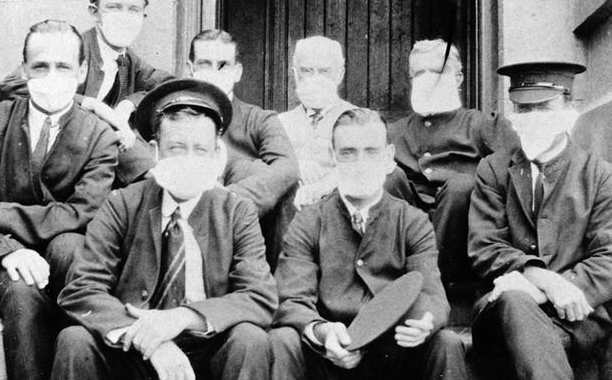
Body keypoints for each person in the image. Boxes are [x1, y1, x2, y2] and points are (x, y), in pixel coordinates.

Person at [52, 79, 277, 380]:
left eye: (200, 150)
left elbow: (260, 297)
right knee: (74, 340)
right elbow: (82, 289)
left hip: (205, 348)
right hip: (133, 347)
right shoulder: (122, 204)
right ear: (156, 152)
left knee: (251, 339)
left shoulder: (236, 211)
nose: (188, 161)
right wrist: (153, 342)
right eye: (176, 149)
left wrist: (182, 318)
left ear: (216, 156)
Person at [0, 20, 119, 380]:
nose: (51, 76)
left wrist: (0, 211)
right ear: (24, 70)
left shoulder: (99, 137)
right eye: (40, 66)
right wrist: (7, 251)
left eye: (63, 66)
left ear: (82, 71)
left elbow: (84, 212)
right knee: (22, 291)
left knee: (75, 255)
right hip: (1, 258)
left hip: (64, 256)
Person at [270, 108, 467, 380]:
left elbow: (434, 297)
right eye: (348, 152)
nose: (360, 164)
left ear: (388, 158)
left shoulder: (412, 221)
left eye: (371, 152)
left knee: (446, 343)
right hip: (328, 361)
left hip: (392, 358)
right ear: (333, 157)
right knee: (282, 340)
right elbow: (292, 299)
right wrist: (322, 331)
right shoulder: (308, 222)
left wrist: (424, 323)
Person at [468, 61, 612, 380]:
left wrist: (558, 289)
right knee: (515, 299)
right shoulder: (493, 170)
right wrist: (541, 279)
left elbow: (609, 257)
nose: (532, 119)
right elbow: (485, 246)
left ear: (568, 108)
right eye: (522, 109)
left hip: (575, 317)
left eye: (544, 108)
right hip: (502, 310)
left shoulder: (599, 175)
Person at [0, 0, 174, 185]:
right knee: (150, 174)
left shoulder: (128, 60)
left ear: (143, 16)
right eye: (114, 7)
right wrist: (91, 104)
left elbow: (169, 85)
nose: (124, 17)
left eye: (133, 9)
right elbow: (10, 86)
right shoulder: (73, 47)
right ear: (94, 12)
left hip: (98, 163)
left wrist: (128, 104)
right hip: (52, 165)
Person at [389, 39, 519, 288]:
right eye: (419, 73)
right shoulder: (395, 133)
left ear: (458, 79)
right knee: (387, 177)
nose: (427, 79)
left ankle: (432, 286)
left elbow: (515, 171)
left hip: (458, 242)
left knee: (461, 187)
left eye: (437, 72)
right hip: (408, 231)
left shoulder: (482, 125)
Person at [187, 29, 299, 264]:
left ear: (237, 72)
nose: (214, 73)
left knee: (272, 180)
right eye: (205, 64)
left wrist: (232, 199)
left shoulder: (258, 119)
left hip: (243, 221)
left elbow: (287, 167)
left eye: (223, 66)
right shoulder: (175, 117)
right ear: (191, 69)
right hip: (187, 209)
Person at [278, 35, 414, 210]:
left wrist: (324, 184)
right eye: (307, 71)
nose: (315, 79)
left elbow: (381, 166)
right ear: (296, 74)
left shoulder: (361, 119)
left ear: (340, 75)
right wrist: (293, 167)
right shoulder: (281, 122)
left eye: (324, 71)